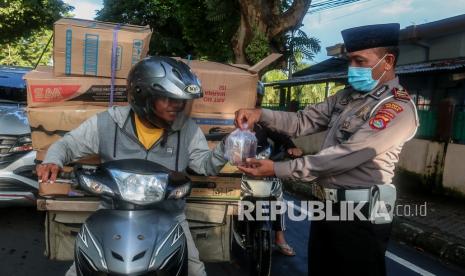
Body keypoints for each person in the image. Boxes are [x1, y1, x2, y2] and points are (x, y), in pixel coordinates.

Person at [234, 23, 419, 275]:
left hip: (360, 217)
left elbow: (347, 155)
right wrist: (260, 114)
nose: (352, 68)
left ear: (387, 61)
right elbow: (302, 121)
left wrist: (278, 168)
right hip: (327, 210)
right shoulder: (346, 97)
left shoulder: (396, 108)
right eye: (350, 61)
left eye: (360, 61)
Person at [36, 56, 228, 276]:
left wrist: (227, 148)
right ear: (143, 96)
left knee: (194, 270)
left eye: (181, 100)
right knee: (80, 269)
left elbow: (206, 166)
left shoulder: (188, 129)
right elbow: (68, 145)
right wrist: (52, 160)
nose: (178, 106)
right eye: (168, 99)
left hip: (168, 216)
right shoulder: (108, 122)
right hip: (112, 212)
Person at [254, 81, 301, 256]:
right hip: (237, 169)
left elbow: (279, 134)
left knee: (277, 195)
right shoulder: (232, 116)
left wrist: (291, 147)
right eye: (253, 95)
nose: (255, 99)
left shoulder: (262, 119)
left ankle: (279, 238)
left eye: (258, 96)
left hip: (262, 166)